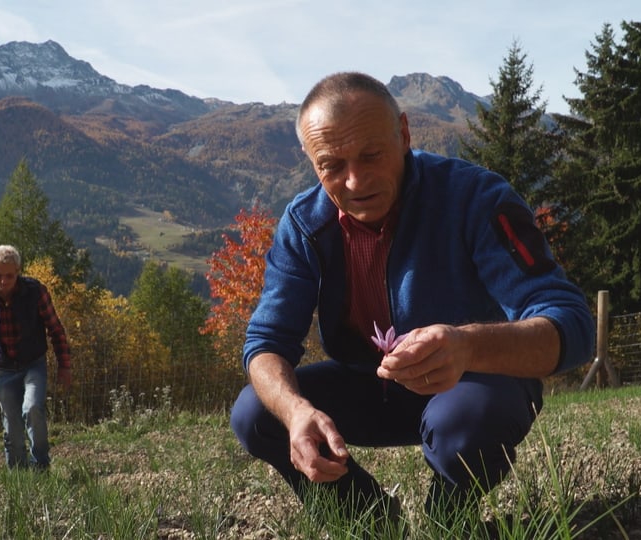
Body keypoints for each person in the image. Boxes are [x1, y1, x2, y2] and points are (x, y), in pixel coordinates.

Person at [229, 72, 594, 528]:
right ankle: (371, 521)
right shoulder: (304, 226)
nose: (355, 180)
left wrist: (466, 346)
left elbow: (574, 327)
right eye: (332, 165)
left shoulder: (475, 198)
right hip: (370, 384)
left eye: (371, 155)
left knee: (465, 421)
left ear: (403, 134)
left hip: (473, 386)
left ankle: (448, 520)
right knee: (257, 411)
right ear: (310, 161)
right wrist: (296, 411)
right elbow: (266, 343)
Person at [0, 244, 72, 470]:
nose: (3, 281)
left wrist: (64, 366)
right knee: (12, 427)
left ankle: (41, 467)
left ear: (18, 271)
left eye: (9, 276)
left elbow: (55, 329)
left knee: (33, 409)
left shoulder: (35, 291)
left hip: (33, 365)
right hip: (4, 369)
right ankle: (18, 474)